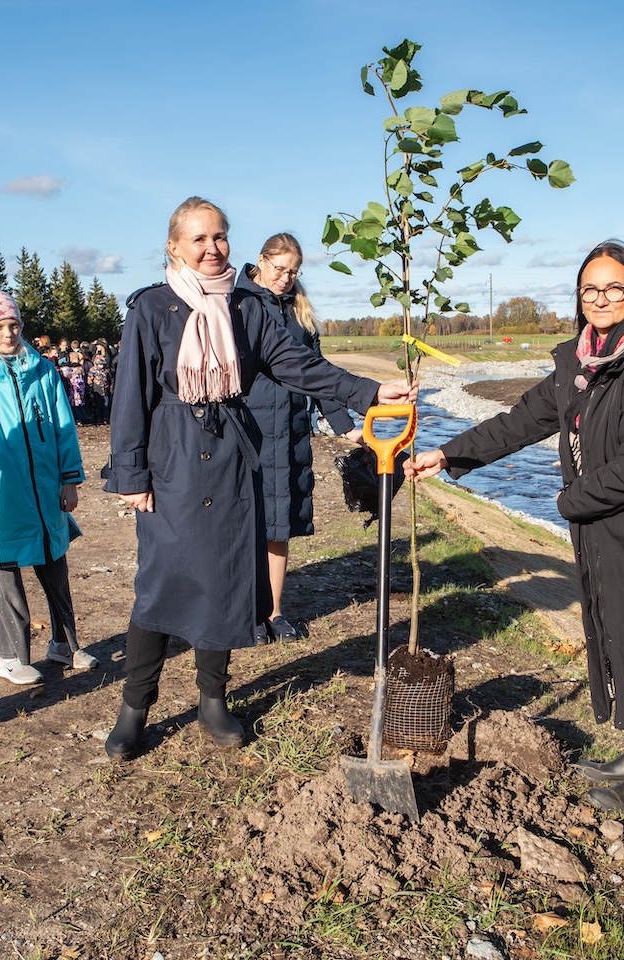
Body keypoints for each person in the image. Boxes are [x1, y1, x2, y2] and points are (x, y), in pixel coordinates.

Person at [405, 240, 624, 815]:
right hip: (608, 524)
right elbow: (521, 420)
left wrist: (569, 501)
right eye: (591, 289)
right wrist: (449, 454)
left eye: (614, 288)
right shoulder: (582, 362)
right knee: (623, 634)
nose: (601, 299)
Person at [102, 197, 416, 760]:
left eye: (220, 236)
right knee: (160, 585)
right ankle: (135, 707)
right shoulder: (150, 307)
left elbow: (297, 364)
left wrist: (368, 391)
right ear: (174, 246)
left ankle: (213, 701)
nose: (212, 248)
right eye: (199, 238)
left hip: (232, 458)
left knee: (224, 580)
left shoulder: (247, 306)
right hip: (172, 460)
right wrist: (131, 472)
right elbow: (131, 395)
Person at [0, 288, 95, 685]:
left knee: (54, 565)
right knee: (4, 570)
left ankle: (64, 645)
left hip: (45, 490)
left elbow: (63, 427)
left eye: (14, 325)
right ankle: (11, 657)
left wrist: (70, 479)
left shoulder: (42, 371)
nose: (8, 333)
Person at [239, 233, 362, 640]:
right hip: (247, 434)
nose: (286, 278)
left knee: (278, 527)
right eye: (280, 269)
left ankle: (274, 613)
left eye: (293, 272)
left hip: (290, 434)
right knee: (245, 526)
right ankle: (246, 614)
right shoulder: (236, 303)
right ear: (261, 261)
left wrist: (345, 425)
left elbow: (317, 372)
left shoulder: (300, 312)